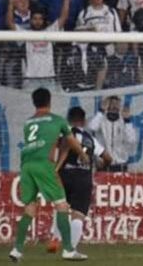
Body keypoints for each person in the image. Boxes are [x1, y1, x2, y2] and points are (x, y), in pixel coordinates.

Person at [9, 88, 89, 262]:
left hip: (26, 166)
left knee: (29, 209)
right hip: (44, 164)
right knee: (62, 206)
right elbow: (71, 141)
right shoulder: (57, 120)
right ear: (50, 101)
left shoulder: (28, 123)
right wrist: (83, 155)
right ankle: (68, 249)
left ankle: (17, 249)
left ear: (34, 102)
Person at [47, 106, 112, 253]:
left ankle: (55, 238)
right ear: (83, 121)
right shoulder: (90, 139)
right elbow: (108, 158)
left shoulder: (62, 133)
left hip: (64, 176)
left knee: (61, 207)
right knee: (78, 215)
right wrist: (101, 165)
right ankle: (70, 250)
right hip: (83, 178)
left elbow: (52, 148)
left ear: (68, 119)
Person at [8, 0, 71, 91]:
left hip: (49, 78)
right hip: (30, 79)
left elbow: (63, 17)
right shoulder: (25, 34)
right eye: (35, 19)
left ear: (43, 20)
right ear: (31, 20)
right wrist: (11, 4)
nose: (37, 21)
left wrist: (66, 0)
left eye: (40, 19)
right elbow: (10, 23)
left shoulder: (50, 32)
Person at [88, 95, 137, 172]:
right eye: (112, 103)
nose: (115, 106)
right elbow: (92, 127)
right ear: (107, 105)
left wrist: (127, 121)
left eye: (117, 104)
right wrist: (101, 111)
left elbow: (131, 140)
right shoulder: (101, 119)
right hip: (103, 164)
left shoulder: (124, 121)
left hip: (120, 165)